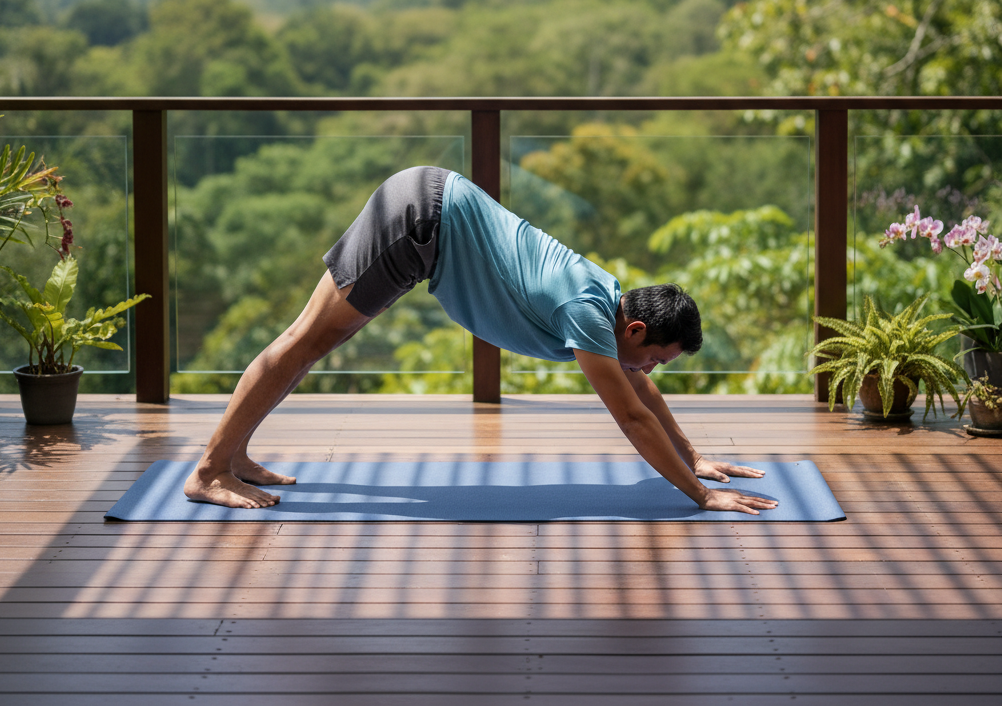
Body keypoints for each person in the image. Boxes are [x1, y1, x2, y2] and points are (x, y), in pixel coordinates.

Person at [184, 166, 777, 515]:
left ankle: (232, 456)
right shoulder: (589, 314)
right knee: (305, 342)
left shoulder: (611, 303)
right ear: (636, 329)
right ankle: (210, 470)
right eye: (653, 359)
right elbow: (632, 417)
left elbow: (640, 397)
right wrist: (700, 495)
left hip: (427, 209)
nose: (647, 372)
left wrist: (693, 454)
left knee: (304, 343)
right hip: (420, 221)